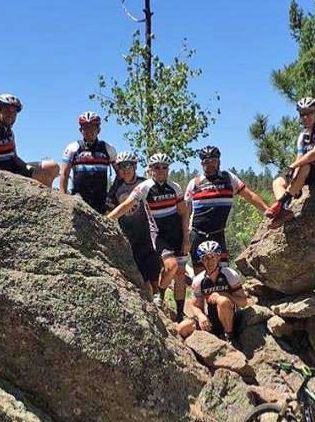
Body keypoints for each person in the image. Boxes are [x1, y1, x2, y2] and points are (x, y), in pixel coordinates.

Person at [107, 153, 190, 319]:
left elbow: (184, 213)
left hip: (177, 234)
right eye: (156, 167)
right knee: (171, 266)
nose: (160, 170)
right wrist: (106, 220)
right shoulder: (144, 187)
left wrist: (186, 239)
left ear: (168, 169)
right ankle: (160, 294)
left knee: (180, 274)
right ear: (150, 169)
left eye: (164, 167)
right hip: (159, 234)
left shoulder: (175, 187)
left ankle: (180, 314)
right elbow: (126, 205)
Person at [265, 97, 315, 227]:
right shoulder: (303, 136)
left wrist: (293, 166)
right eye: (302, 114)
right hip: (309, 172)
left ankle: (280, 203)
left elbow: (314, 153)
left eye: (310, 113)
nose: (306, 117)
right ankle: (284, 211)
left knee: (305, 165)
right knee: (278, 182)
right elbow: (299, 158)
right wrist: (294, 180)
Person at [184, 146, 269, 267]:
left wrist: (268, 210)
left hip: (218, 233)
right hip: (197, 234)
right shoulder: (195, 183)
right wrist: (184, 238)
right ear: (202, 164)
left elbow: (249, 195)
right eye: (206, 162)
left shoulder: (228, 178)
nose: (210, 164)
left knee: (223, 273)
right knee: (200, 274)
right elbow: (185, 212)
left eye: (213, 160)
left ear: (219, 161)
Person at [0, 94, 59, 186]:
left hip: (15, 168)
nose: (11, 114)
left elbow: (14, 157)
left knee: (53, 166)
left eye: (14, 112)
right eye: (7, 110)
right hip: (3, 174)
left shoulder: (9, 132)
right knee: (43, 176)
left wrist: (29, 168)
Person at [176, 241, 250, 340]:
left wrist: (225, 295)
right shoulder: (198, 280)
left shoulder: (229, 274)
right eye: (205, 258)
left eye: (212, 257)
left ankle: (230, 336)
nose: (209, 261)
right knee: (182, 328)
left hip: (231, 318)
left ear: (218, 257)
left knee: (222, 301)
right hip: (211, 319)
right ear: (201, 260)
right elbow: (195, 305)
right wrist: (201, 316)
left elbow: (243, 302)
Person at [60, 111, 119, 213]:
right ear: (80, 130)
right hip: (78, 200)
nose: (89, 131)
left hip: (101, 200)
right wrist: (62, 198)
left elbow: (120, 173)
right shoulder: (72, 148)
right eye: (85, 127)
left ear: (99, 130)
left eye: (92, 127)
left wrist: (112, 193)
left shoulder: (108, 148)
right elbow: (64, 174)